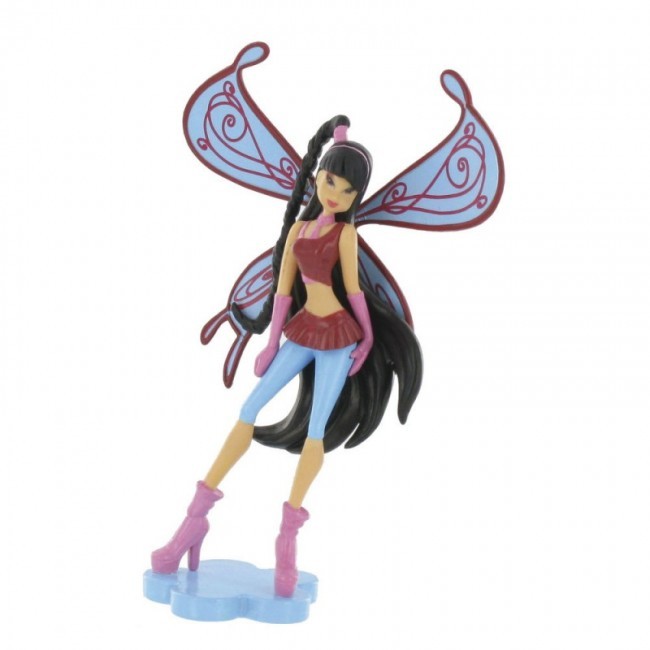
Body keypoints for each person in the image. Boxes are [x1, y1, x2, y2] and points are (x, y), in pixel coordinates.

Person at [151, 116, 423, 598]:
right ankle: (193, 520)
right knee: (248, 410)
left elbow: (354, 291)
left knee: (317, 431)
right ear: (318, 177)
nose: (336, 193)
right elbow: (281, 292)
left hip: (338, 335)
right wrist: (271, 342)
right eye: (330, 180)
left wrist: (366, 339)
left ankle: (288, 537)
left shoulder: (345, 236)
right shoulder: (298, 229)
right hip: (301, 330)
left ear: (355, 197)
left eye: (347, 190)